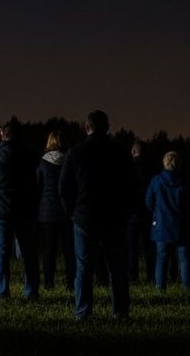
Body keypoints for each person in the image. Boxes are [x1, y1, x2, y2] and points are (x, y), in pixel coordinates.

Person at [59, 110, 137, 321]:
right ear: (107, 127)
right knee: (117, 268)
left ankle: (83, 312)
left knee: (84, 268)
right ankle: (120, 312)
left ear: (86, 128)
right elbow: (132, 186)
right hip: (114, 218)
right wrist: (126, 212)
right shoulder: (121, 153)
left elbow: (64, 188)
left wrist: (72, 213)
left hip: (85, 218)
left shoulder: (75, 152)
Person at [0, 122, 41, 300]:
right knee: (28, 253)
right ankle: (31, 291)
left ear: (2, 136)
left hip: (0, 212)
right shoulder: (29, 156)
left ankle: (2, 292)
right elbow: (36, 161)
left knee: (2, 254)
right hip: (25, 211)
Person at [36, 131, 74, 291]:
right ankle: (71, 283)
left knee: (49, 251)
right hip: (65, 212)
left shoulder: (42, 163)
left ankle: (48, 283)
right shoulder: (67, 161)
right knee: (69, 251)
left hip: (47, 213)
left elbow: (38, 187)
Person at [145, 151, 188, 290]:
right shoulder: (185, 182)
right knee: (184, 258)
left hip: (162, 225)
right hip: (181, 225)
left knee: (162, 258)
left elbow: (148, 201)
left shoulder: (156, 180)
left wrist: (156, 213)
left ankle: (160, 287)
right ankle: (186, 286)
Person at [127, 142, 156, 284]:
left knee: (131, 248)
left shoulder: (127, 168)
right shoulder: (151, 168)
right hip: (147, 213)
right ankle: (151, 275)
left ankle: (133, 276)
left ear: (133, 151)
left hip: (131, 214)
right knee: (149, 247)